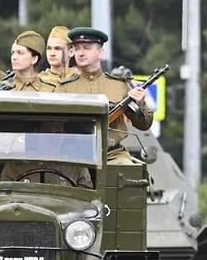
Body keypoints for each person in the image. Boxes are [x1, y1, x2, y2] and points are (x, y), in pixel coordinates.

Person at [57, 27, 152, 163]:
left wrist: (140, 104)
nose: (80, 53)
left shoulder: (119, 85)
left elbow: (144, 125)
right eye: (77, 49)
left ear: (101, 52)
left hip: (112, 155)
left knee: (128, 175)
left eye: (87, 48)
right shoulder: (65, 88)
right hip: (73, 155)